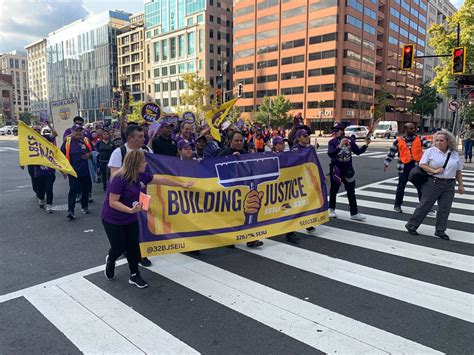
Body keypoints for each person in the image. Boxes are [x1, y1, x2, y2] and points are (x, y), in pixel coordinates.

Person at [102, 150, 194, 288]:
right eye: (143, 161)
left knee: (133, 246)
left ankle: (134, 275)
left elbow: (160, 179)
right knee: (119, 247)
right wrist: (129, 210)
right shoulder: (118, 178)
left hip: (130, 218)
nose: (146, 164)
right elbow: (112, 202)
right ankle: (111, 259)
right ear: (135, 164)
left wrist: (182, 184)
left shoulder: (141, 176)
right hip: (112, 218)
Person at [405, 131, 465, 240]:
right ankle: (412, 225)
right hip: (433, 182)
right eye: (437, 140)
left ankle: (440, 230)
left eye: (442, 140)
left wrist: (460, 184)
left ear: (448, 141)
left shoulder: (454, 153)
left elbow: (458, 170)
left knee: (444, 209)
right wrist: (434, 170)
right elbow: (422, 164)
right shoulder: (430, 151)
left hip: (449, 184)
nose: (439, 143)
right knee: (425, 205)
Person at [108, 124, 153, 266]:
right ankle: (129, 252)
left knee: (143, 223)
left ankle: (140, 253)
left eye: (143, 136)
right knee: (129, 228)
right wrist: (131, 172)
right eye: (139, 137)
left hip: (142, 194)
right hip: (124, 197)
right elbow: (113, 177)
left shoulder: (146, 150)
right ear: (130, 138)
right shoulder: (119, 152)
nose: (143, 139)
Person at [219, 131, 263, 248]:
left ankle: (251, 239)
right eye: (236, 140)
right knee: (232, 216)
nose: (239, 143)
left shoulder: (245, 153)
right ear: (230, 142)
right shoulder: (223, 153)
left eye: (241, 140)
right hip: (229, 191)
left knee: (249, 213)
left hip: (244, 190)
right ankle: (229, 239)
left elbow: (251, 170)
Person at [383, 123, 432, 213]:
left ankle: (424, 207)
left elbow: (430, 145)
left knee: (421, 187)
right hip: (403, 167)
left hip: (416, 166)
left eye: (414, 128)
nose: (414, 130)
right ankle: (397, 205)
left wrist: (438, 144)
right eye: (411, 129)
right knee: (401, 187)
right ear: (405, 129)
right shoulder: (398, 141)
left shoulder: (420, 138)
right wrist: (386, 163)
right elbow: (391, 153)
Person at [327, 122, 370, 220]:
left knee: (351, 191)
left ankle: (354, 213)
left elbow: (358, 152)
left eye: (337, 130)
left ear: (342, 131)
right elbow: (331, 154)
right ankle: (331, 209)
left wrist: (366, 145)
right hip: (336, 169)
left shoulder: (350, 140)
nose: (335, 132)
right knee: (334, 190)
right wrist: (340, 146)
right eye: (334, 130)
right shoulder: (332, 142)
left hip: (348, 169)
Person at [61, 124, 93, 220]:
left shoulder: (86, 140)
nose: (78, 132)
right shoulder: (68, 141)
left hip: (85, 170)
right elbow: (61, 156)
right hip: (73, 171)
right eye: (76, 131)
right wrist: (63, 170)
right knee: (73, 189)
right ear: (72, 131)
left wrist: (89, 155)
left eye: (80, 131)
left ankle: (85, 206)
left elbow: (94, 152)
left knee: (85, 189)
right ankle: (71, 211)